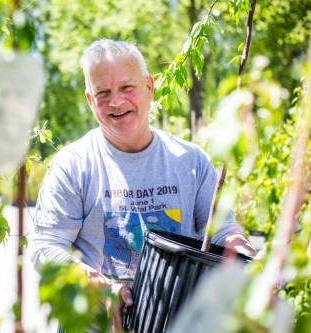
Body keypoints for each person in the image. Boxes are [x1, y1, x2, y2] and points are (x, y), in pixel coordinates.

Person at [30, 38, 256, 332]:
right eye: (103, 92)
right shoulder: (74, 164)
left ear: (149, 87)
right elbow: (45, 247)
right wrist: (96, 285)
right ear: (89, 100)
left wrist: (252, 262)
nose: (116, 102)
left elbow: (223, 232)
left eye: (127, 88)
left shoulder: (191, 162)